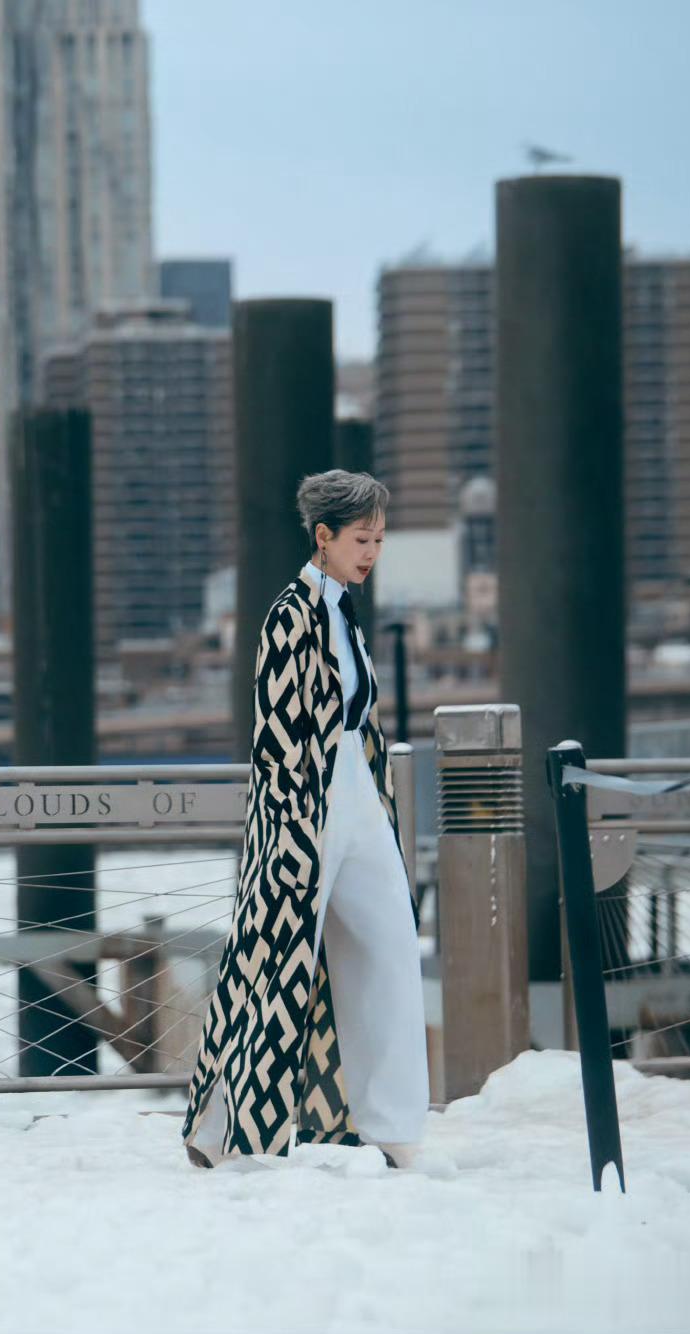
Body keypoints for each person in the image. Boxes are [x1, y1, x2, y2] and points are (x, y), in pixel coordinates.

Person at [179, 469, 429, 1170]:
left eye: (379, 540)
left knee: (390, 946)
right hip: (303, 803)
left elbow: (356, 717)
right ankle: (223, 1133)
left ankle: (392, 1128)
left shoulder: (343, 611)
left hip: (358, 791)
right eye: (361, 539)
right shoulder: (290, 614)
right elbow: (277, 734)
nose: (371, 552)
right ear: (323, 537)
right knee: (273, 959)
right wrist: (293, 826)